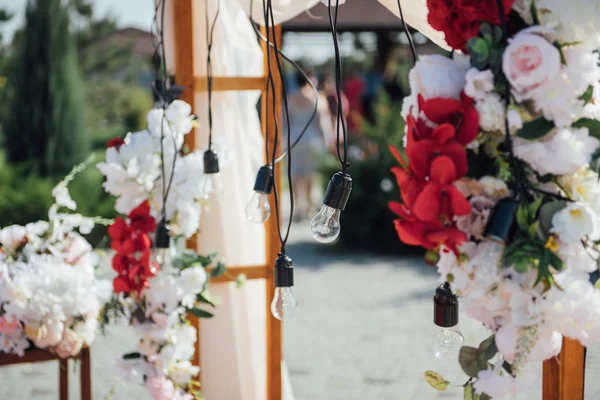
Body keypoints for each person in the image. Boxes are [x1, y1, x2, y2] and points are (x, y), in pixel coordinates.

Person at [284, 70, 334, 221]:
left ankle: (297, 206)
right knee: (310, 174)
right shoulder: (317, 97)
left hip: (293, 137)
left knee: (295, 173)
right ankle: (308, 206)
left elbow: (284, 121)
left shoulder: (289, 98)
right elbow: (323, 123)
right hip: (312, 138)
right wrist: (328, 140)